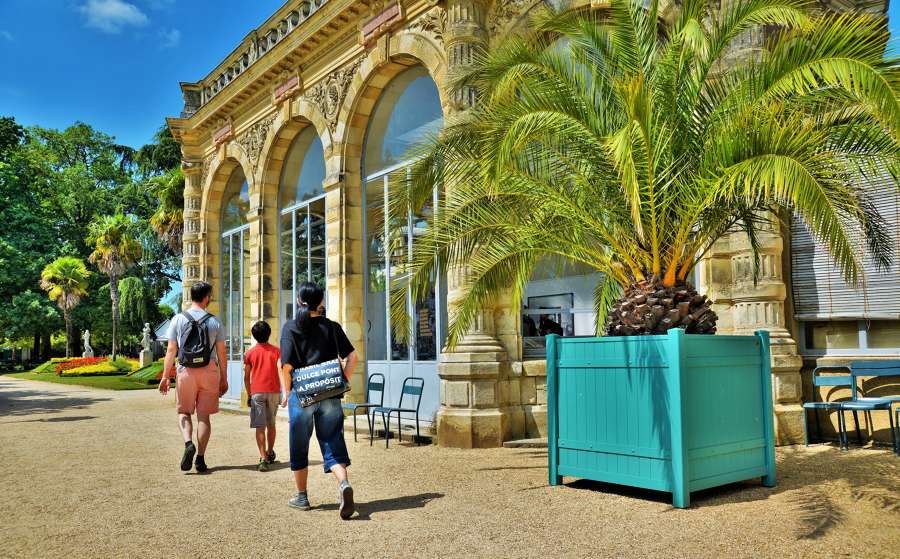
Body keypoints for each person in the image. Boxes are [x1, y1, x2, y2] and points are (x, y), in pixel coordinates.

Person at [279, 281, 358, 518]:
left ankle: (302, 496)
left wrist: (286, 392)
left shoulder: (291, 327)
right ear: (321, 302)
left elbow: (287, 366)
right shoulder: (332, 327)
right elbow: (352, 356)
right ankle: (343, 483)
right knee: (333, 440)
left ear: (300, 301)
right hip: (330, 393)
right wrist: (341, 379)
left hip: (302, 394)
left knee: (299, 444)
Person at [159, 281, 228, 473]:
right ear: (206, 297)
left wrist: (166, 377)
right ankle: (201, 459)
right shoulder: (215, 322)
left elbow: (171, 350)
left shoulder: (178, 319)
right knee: (204, 417)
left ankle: (188, 443)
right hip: (209, 370)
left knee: (184, 412)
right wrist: (224, 378)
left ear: (191, 296)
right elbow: (222, 354)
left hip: (185, 371)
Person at [243, 320, 281, 472]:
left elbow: (246, 376)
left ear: (254, 335)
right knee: (271, 424)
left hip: (257, 391)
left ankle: (263, 458)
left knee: (260, 426)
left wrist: (249, 394)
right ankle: (270, 452)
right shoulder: (277, 351)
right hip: (273, 391)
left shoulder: (250, 353)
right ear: (269, 334)